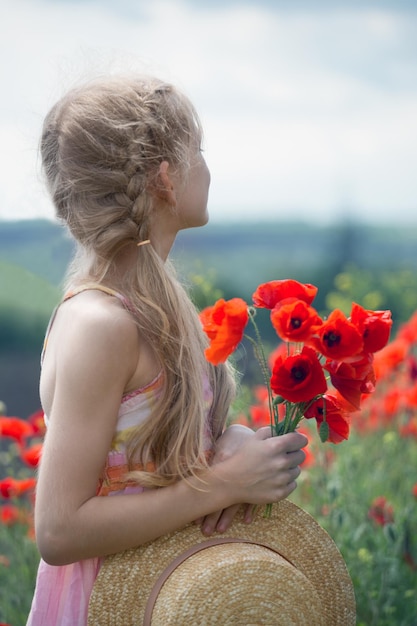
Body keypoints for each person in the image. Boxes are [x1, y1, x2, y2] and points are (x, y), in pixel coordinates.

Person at [27, 74, 307, 625]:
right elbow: (58, 532)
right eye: (197, 151)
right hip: (107, 604)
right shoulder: (99, 324)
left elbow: (142, 465)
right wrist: (221, 484)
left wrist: (231, 449)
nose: (208, 166)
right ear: (164, 178)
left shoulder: (150, 309)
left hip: (168, 594)